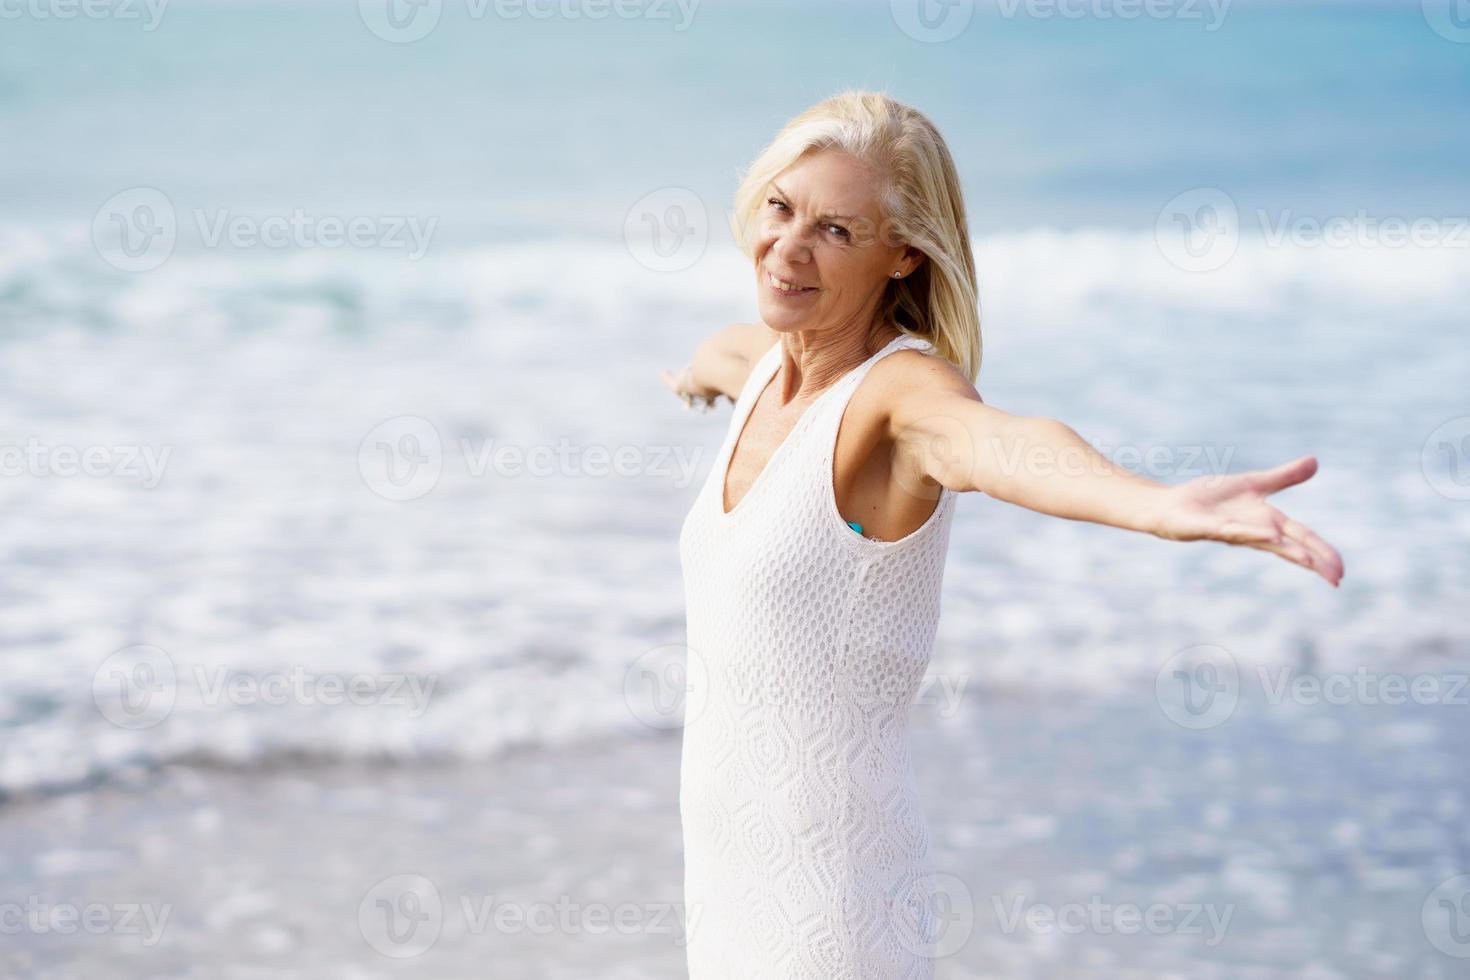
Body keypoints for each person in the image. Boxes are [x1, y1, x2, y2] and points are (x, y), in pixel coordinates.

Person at [660, 89, 1343, 979]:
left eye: (836, 231)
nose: (786, 249)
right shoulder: (758, 366)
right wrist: (690, 382)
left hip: (832, 917)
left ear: (903, 256)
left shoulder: (901, 404)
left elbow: (1005, 446)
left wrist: (1152, 504)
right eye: (781, 209)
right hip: (724, 888)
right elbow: (721, 356)